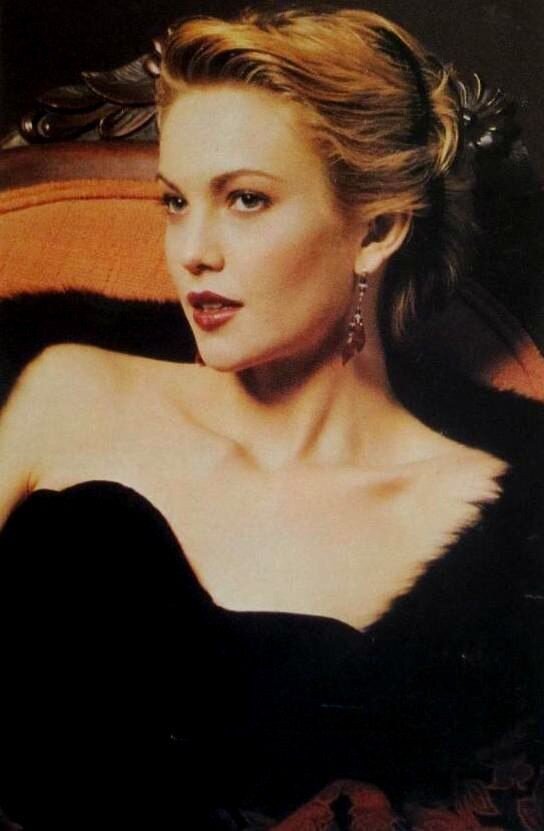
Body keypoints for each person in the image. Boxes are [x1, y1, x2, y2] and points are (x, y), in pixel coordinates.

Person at [0, 6, 542, 830]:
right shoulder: (70, 385)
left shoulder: (480, 517)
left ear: (378, 229)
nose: (193, 250)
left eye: (246, 199)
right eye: (175, 201)